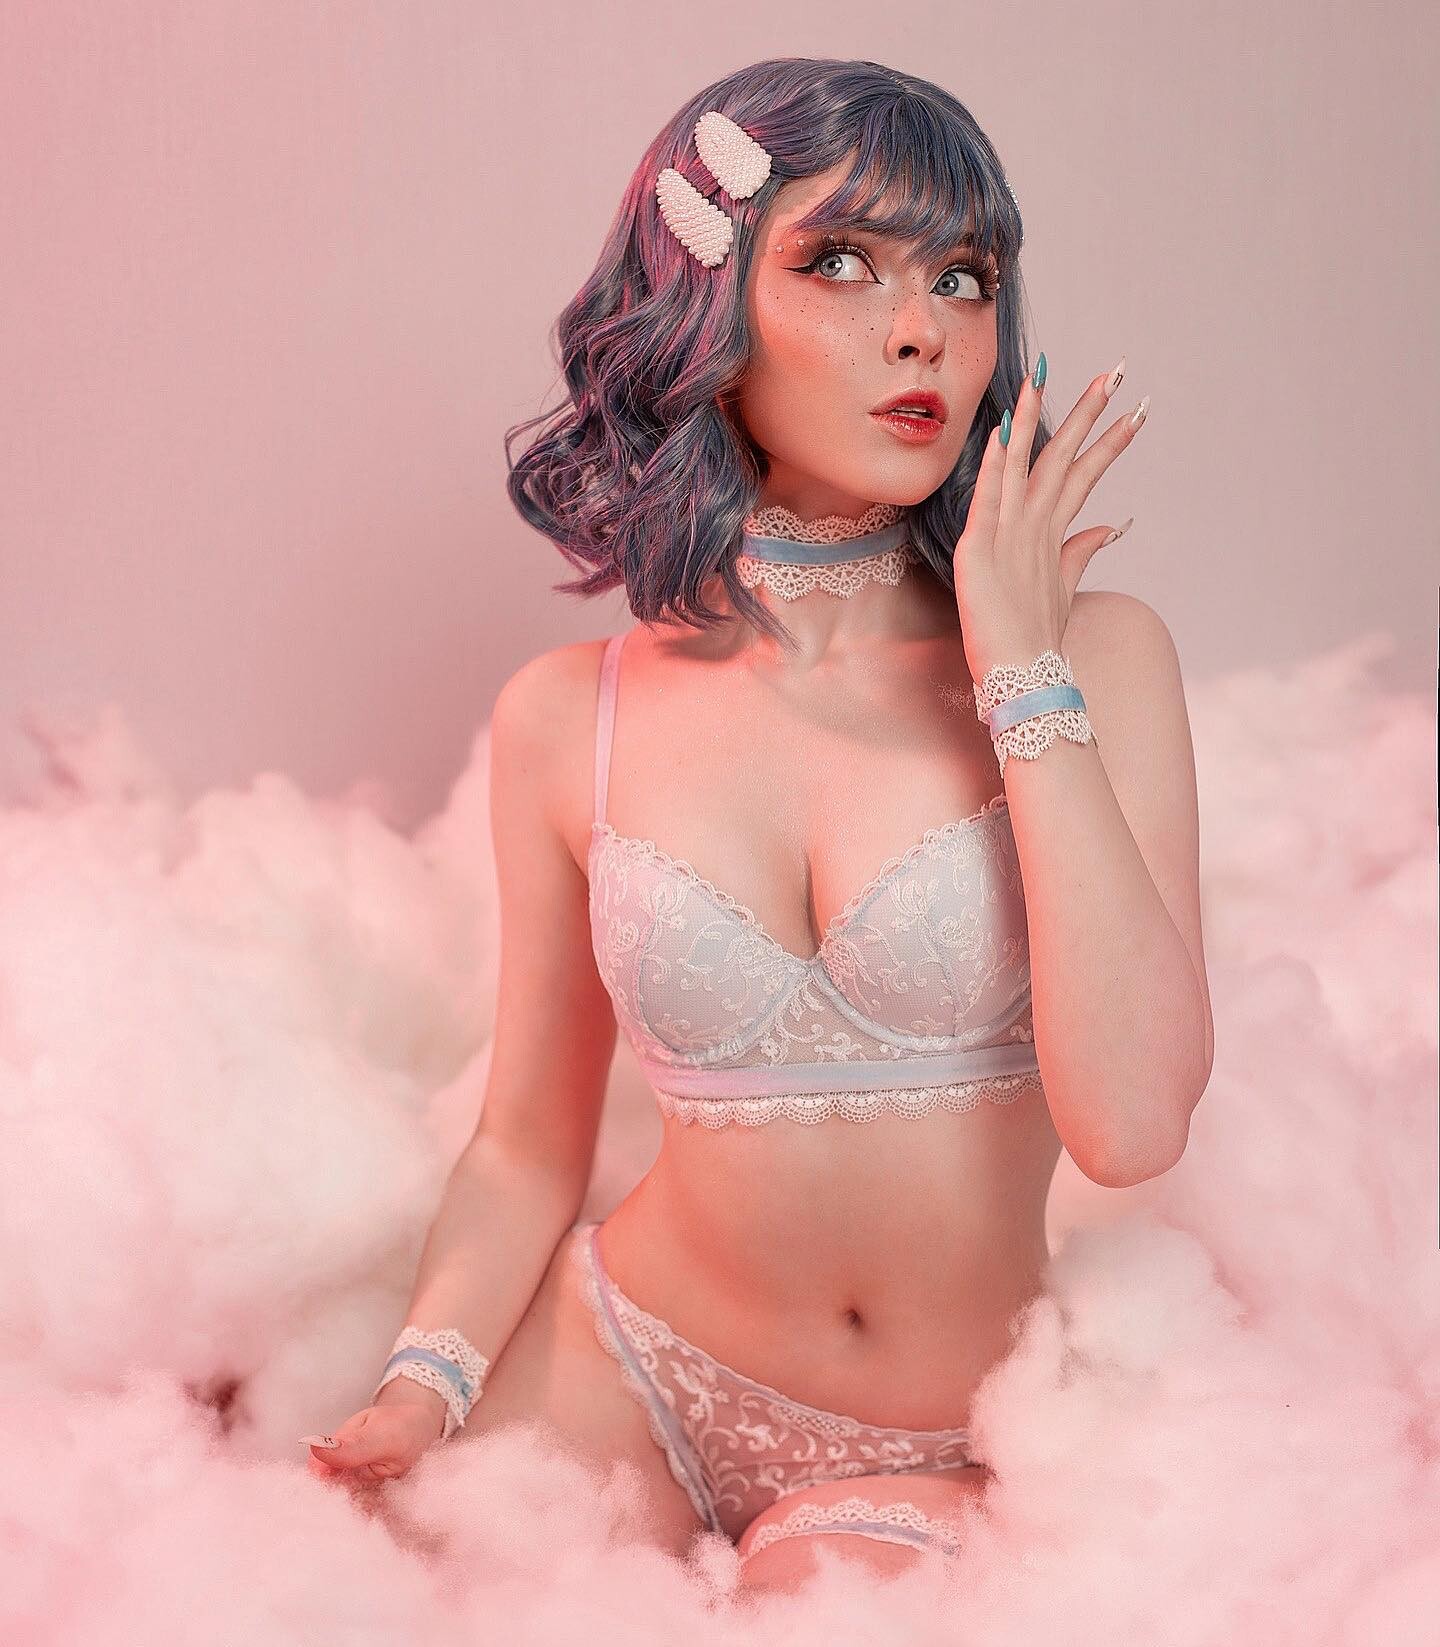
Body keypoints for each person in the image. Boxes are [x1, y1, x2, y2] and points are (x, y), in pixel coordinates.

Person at [303, 57, 1214, 1594]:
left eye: (963, 276)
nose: (922, 329)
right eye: (842, 263)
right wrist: (425, 1386)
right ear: (705, 313)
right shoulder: (568, 714)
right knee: (324, 1588)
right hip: (628, 1365)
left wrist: (1019, 667)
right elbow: (526, 1143)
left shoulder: (1101, 659)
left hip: (937, 1434)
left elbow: (1132, 1129)